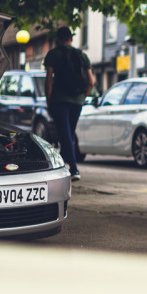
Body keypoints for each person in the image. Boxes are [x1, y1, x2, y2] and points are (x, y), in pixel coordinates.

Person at [44, 26, 94, 180]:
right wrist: (82, 98)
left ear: (58, 39)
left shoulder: (53, 54)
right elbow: (91, 82)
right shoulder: (82, 55)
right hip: (77, 100)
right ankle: (63, 162)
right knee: (68, 134)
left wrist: (49, 99)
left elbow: (49, 80)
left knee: (65, 134)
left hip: (59, 100)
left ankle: (74, 169)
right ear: (71, 38)